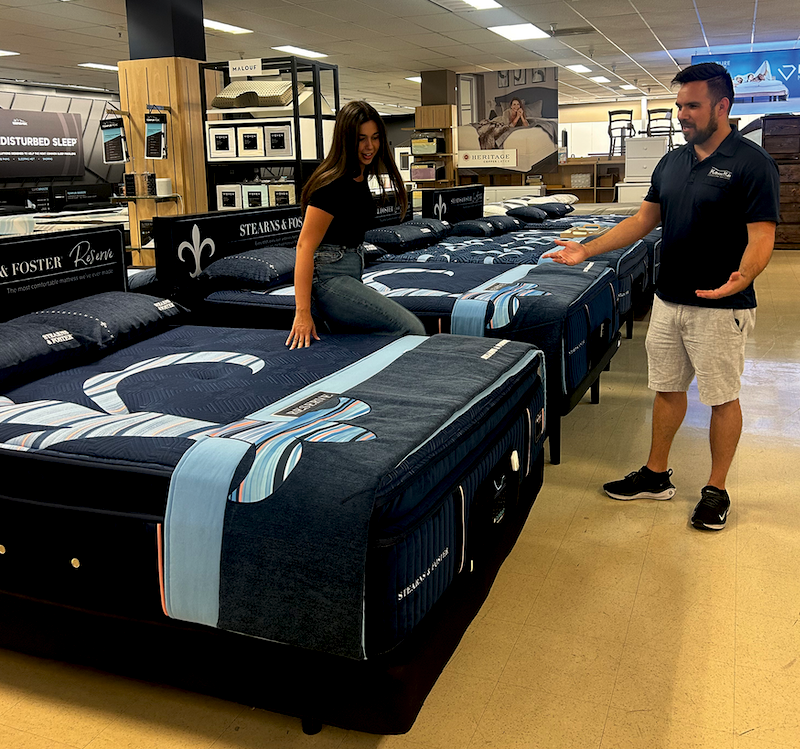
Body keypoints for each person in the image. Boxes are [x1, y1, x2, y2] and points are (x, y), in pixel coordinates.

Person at [543, 62, 780, 531]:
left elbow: (762, 236)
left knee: (721, 397)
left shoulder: (753, 164)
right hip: (669, 300)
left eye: (691, 106)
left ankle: (716, 488)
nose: (681, 115)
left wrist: (744, 276)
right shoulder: (672, 161)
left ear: (722, 106)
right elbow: (642, 221)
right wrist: (586, 249)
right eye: (678, 105)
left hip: (721, 305)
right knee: (667, 389)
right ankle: (655, 475)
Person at [286, 100, 425, 349]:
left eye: (375, 137)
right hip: (329, 278)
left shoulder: (359, 175)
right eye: (361, 138)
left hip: (349, 272)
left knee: (361, 340)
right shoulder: (333, 185)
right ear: (346, 138)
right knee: (411, 329)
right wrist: (302, 312)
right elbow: (304, 247)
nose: (369, 146)